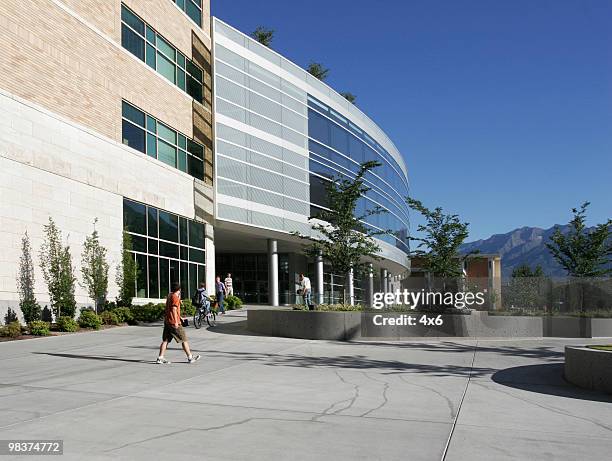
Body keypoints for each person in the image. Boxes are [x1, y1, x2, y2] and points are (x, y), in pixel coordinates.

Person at [157, 283, 201, 364]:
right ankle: (190, 358)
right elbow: (173, 309)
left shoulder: (170, 295)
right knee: (184, 339)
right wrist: (176, 322)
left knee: (165, 340)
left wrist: (180, 317)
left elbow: (172, 309)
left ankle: (160, 357)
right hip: (174, 323)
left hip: (167, 322)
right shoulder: (175, 298)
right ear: (179, 290)